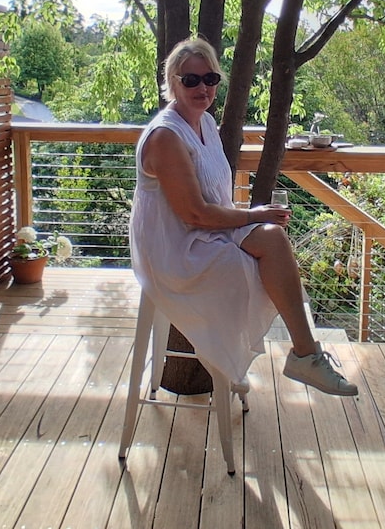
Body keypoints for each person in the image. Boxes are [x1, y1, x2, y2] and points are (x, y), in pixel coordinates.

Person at [129, 36, 358, 397]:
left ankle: (305, 354)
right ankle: (233, 359)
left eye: (210, 79)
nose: (202, 88)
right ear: (173, 82)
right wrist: (253, 215)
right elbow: (195, 213)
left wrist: (253, 220)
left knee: (273, 238)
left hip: (203, 232)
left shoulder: (205, 123)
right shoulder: (165, 137)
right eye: (191, 80)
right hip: (174, 250)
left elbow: (211, 201)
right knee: (246, 266)